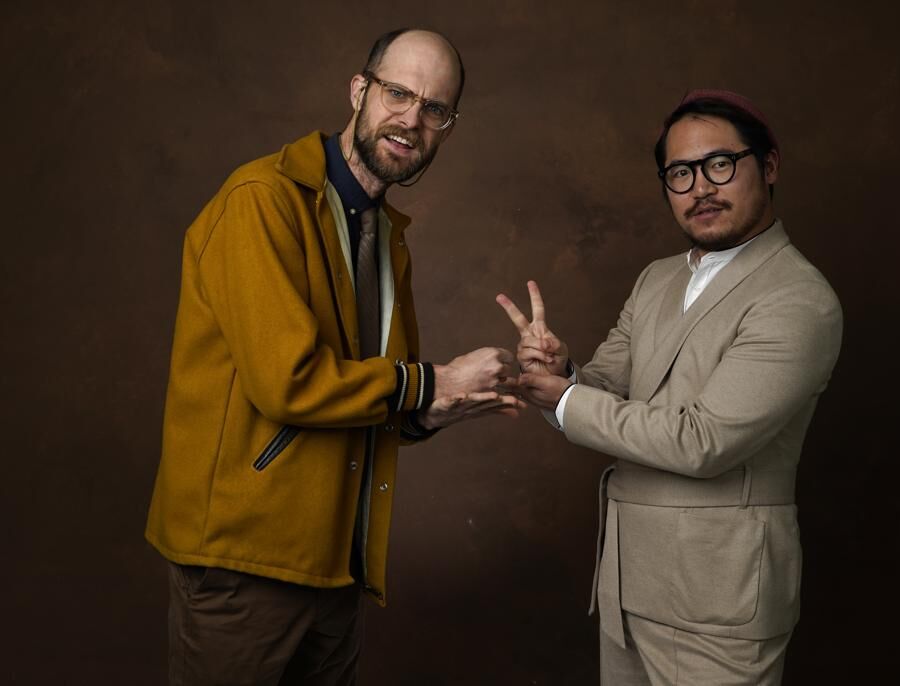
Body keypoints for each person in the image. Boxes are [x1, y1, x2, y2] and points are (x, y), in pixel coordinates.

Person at [146, 28, 522, 685]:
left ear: (448, 128)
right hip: (245, 564)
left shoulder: (382, 233)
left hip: (335, 566)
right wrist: (432, 381)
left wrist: (442, 406)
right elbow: (289, 384)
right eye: (398, 93)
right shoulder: (261, 200)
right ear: (358, 91)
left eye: (435, 109)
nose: (412, 119)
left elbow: (369, 396)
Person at [499, 89, 843, 685]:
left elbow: (702, 442)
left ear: (769, 165)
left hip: (720, 605)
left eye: (719, 164)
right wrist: (561, 371)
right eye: (680, 174)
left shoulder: (798, 299)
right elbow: (606, 385)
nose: (700, 188)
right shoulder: (657, 278)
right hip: (628, 589)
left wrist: (567, 398)